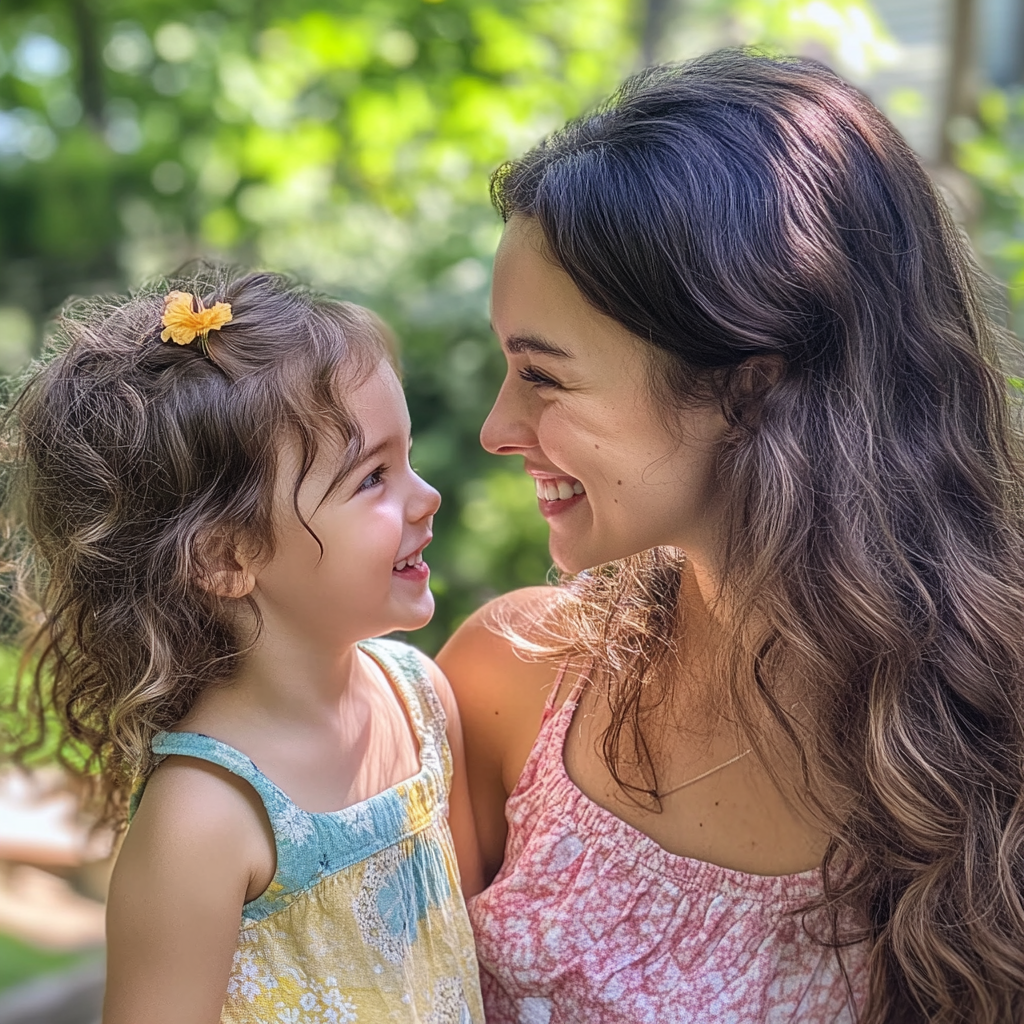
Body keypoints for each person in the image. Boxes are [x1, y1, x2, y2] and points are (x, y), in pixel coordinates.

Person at [437, 50, 1024, 1024]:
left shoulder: (993, 751)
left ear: (748, 387)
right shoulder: (510, 682)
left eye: (543, 375)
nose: (499, 427)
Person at [2, 268, 484, 1024]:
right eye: (372, 479)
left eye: (408, 459)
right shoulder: (204, 817)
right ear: (227, 559)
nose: (426, 498)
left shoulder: (420, 697)